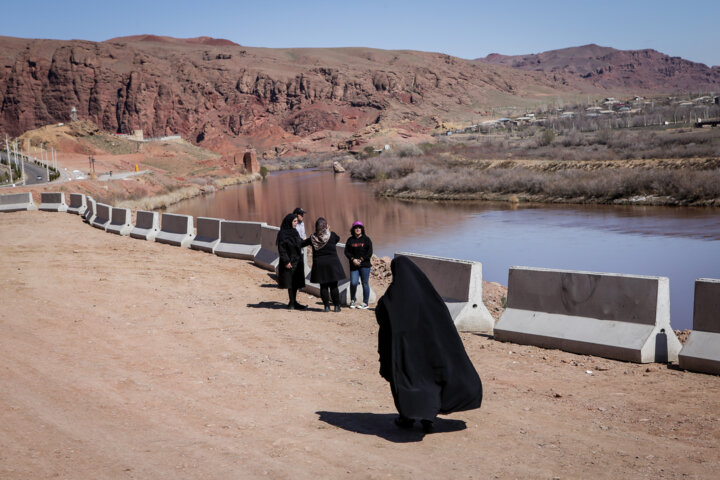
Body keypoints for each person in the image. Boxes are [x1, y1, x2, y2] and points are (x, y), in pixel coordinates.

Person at [375, 256, 483, 433]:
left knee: (406, 382)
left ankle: (407, 417)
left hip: (404, 350)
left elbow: (382, 313)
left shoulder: (393, 296)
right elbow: (442, 321)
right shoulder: (429, 295)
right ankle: (428, 419)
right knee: (430, 381)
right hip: (428, 349)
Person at [308, 217, 346, 312]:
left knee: (323, 286)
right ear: (326, 226)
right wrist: (328, 231)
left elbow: (302, 243)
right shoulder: (331, 235)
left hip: (320, 266)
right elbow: (338, 239)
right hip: (332, 265)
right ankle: (337, 307)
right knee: (334, 286)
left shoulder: (313, 238)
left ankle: (326, 307)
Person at [276, 213, 311, 310]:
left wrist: (310, 240)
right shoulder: (282, 233)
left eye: (296, 221)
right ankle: (292, 302)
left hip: (297, 260)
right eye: (294, 221)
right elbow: (281, 249)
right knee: (290, 282)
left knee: (295, 282)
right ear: (289, 222)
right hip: (289, 261)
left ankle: (293, 302)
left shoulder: (294, 232)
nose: (296, 223)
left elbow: (300, 243)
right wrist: (286, 261)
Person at [344, 220, 373, 309]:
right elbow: (347, 252)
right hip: (354, 265)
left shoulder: (366, 239)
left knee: (365, 283)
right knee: (353, 283)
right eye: (356, 227)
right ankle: (353, 300)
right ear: (353, 229)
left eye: (359, 227)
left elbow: (369, 252)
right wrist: (353, 260)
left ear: (362, 229)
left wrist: (360, 260)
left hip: (365, 265)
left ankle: (365, 303)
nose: (358, 229)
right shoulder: (350, 240)